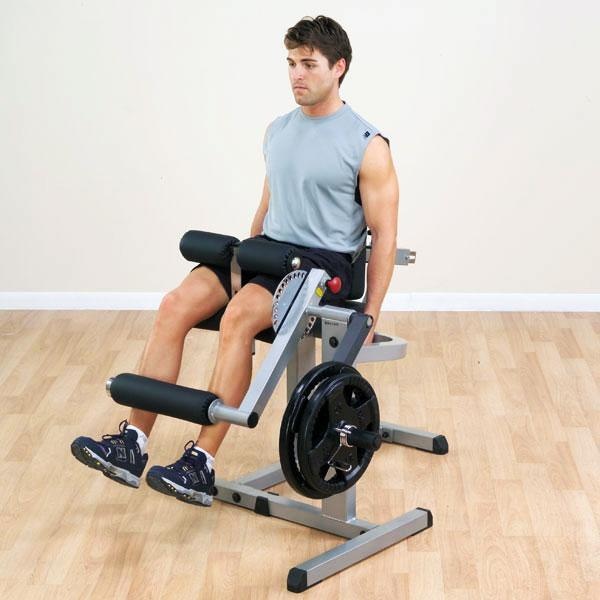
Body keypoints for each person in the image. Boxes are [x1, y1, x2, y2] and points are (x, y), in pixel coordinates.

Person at [71, 15, 399, 507]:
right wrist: (248, 258)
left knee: (239, 315)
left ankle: (201, 463)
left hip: (321, 266)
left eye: (309, 64)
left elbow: (385, 234)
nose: (297, 74)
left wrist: (370, 313)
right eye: (291, 63)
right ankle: (132, 443)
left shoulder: (367, 145)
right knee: (175, 304)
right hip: (270, 252)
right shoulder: (278, 131)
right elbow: (266, 208)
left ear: (339, 68)